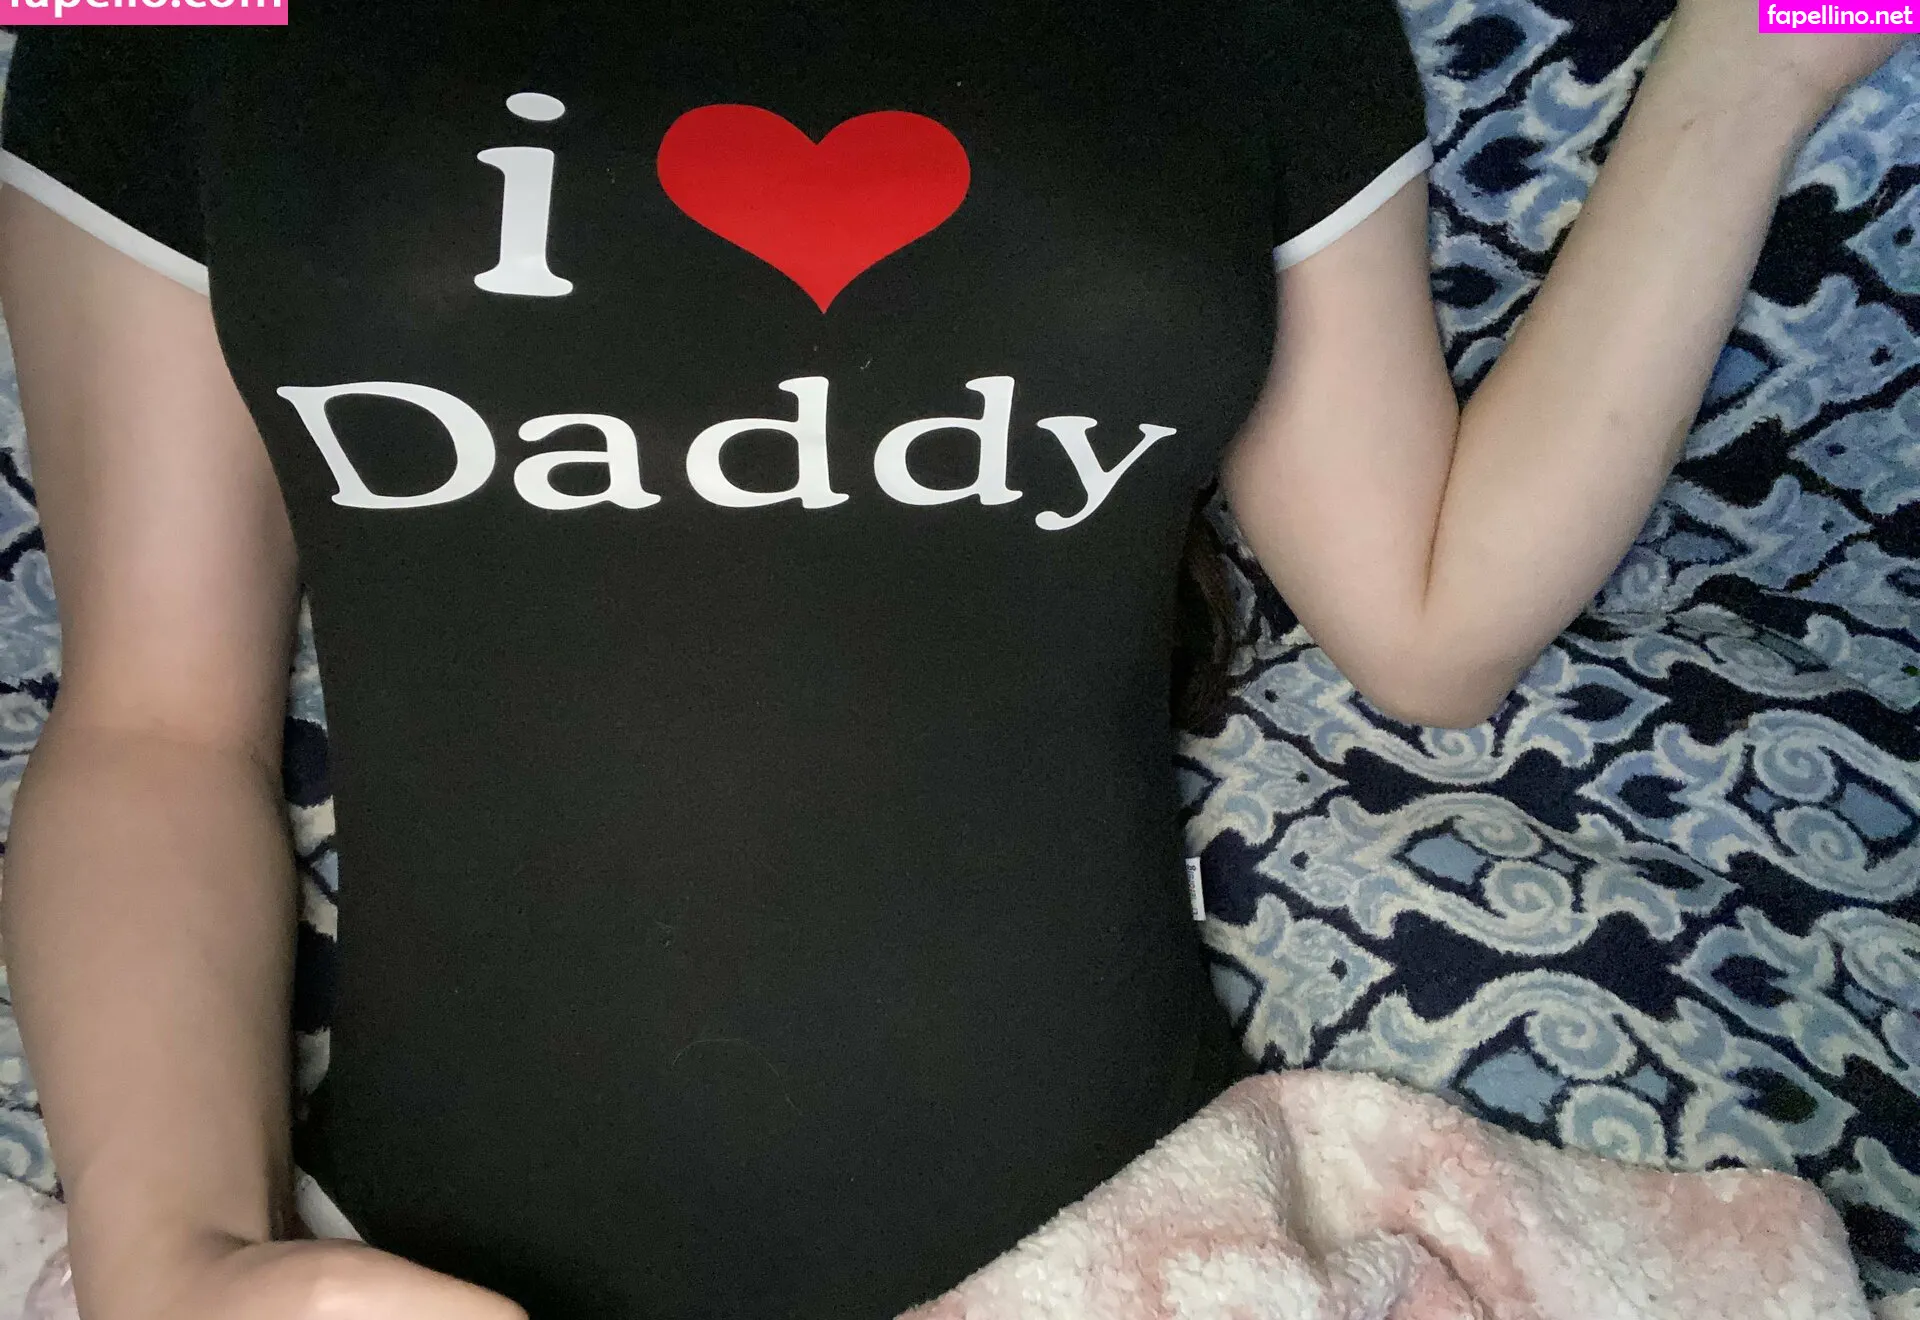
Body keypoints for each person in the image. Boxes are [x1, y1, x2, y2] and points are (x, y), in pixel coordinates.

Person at [0, 0, 1901, 1316]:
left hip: (1128, 1251)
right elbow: (157, 723)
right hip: (401, 1257)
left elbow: (1431, 622)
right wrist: (171, 1263)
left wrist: (1753, 68)